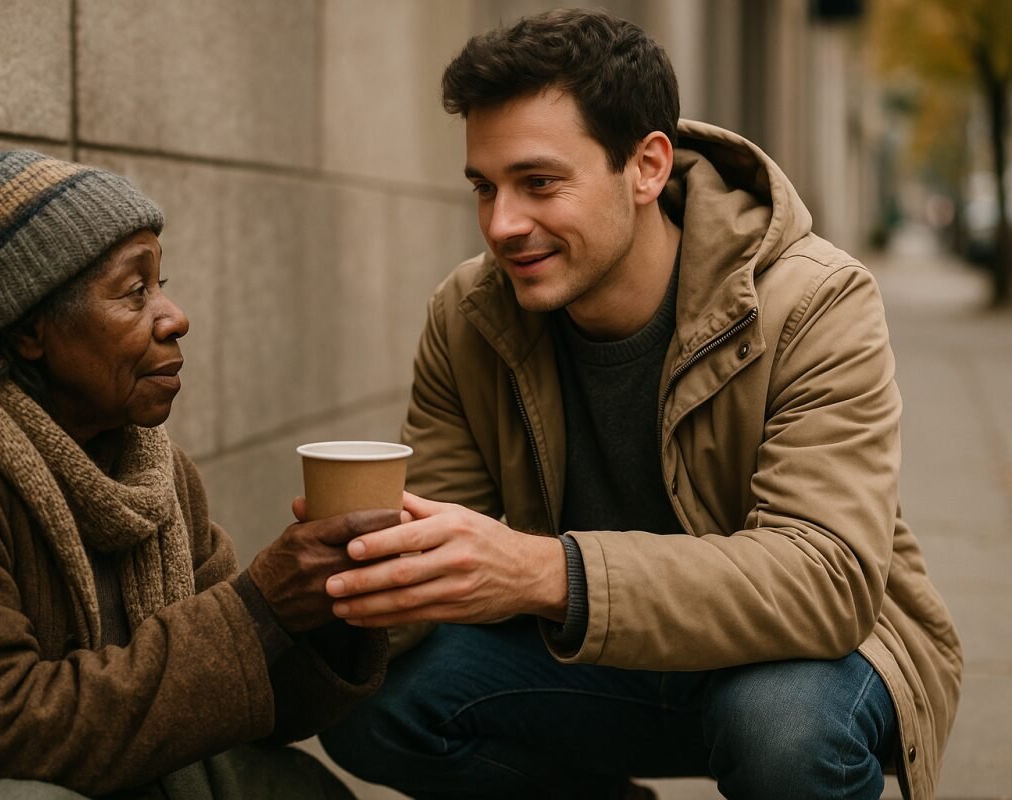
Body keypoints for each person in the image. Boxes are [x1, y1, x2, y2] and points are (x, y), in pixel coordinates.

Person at [316, 9, 962, 800]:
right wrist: (330, 599)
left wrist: (549, 572)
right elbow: (448, 554)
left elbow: (825, 579)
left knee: (780, 727)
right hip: (595, 663)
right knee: (372, 706)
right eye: (485, 187)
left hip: (801, 661)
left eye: (539, 183)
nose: (502, 224)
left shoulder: (814, 301)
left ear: (648, 166)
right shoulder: (471, 315)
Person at [0, 150, 399, 799]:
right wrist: (256, 610)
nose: (175, 317)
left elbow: (238, 708)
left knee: (300, 790)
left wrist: (330, 610)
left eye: (162, 282)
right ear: (30, 325)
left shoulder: (149, 465)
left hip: (101, 749)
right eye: (134, 290)